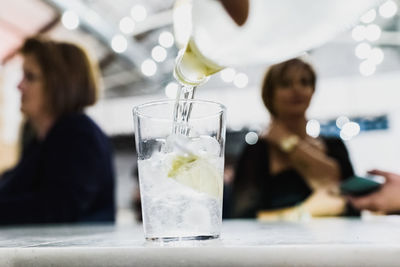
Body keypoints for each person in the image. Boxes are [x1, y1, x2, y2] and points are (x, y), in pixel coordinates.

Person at [0, 36, 115, 224]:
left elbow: (58, 207)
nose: (19, 86)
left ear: (59, 83)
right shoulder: (41, 139)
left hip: (74, 252)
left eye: (30, 77)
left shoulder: (78, 134)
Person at [232, 58, 357, 219]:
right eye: (285, 84)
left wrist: (288, 142)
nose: (297, 89)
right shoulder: (258, 151)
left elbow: (351, 200)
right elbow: (243, 216)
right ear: (270, 94)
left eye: (304, 82)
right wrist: (303, 212)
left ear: (313, 90)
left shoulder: (335, 145)